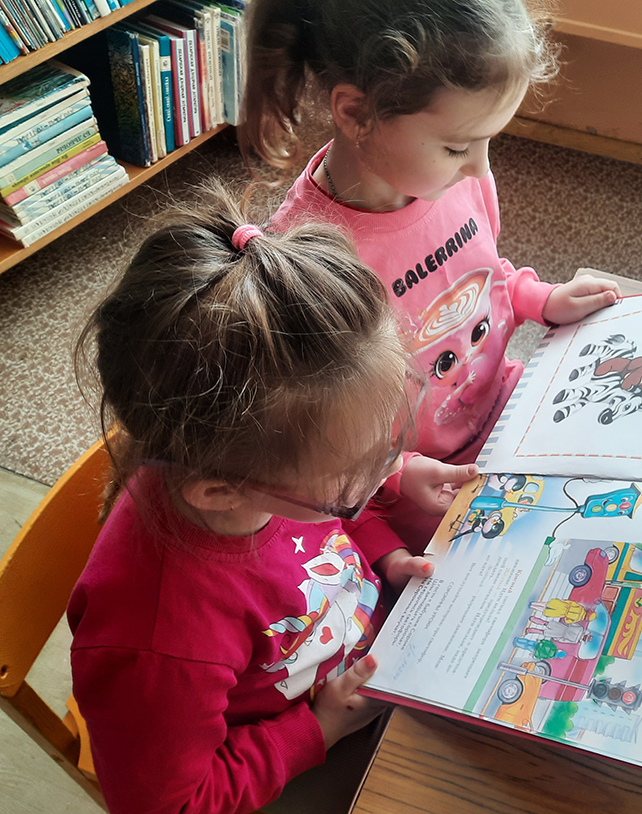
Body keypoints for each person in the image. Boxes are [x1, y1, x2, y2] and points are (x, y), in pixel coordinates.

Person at [68, 185, 436, 814]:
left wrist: (385, 551)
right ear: (219, 492)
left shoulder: (260, 468)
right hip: (292, 758)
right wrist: (317, 729)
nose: (383, 476)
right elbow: (173, 805)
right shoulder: (160, 640)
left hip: (368, 656)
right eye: (353, 478)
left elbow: (323, 529)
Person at [239, 0, 621, 550]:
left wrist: (539, 297)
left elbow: (483, 275)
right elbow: (320, 431)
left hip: (509, 411)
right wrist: (397, 474)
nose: (481, 167)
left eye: (489, 141)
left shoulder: (452, 179)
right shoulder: (311, 261)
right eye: (458, 147)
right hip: (416, 485)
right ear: (355, 113)